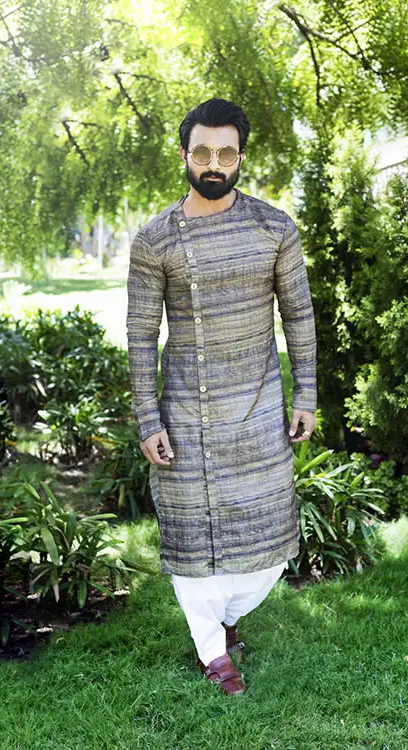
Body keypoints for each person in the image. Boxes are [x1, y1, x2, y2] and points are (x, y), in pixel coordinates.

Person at [126, 97, 317, 696]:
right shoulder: (155, 239)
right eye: (203, 152)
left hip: (257, 407)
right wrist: (147, 416)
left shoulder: (274, 228)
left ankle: (227, 617)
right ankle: (212, 649)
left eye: (226, 153)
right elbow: (140, 334)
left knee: (267, 541)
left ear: (240, 158)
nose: (214, 163)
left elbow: (298, 315)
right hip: (187, 411)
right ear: (184, 154)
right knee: (190, 529)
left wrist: (306, 392)